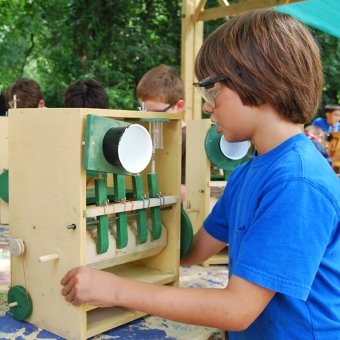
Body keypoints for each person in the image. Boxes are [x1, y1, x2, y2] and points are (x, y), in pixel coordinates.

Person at [61, 9, 340, 339]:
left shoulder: (297, 183)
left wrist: (115, 290)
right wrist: (153, 206)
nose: (207, 106)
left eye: (212, 90)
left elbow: (237, 309)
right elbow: (191, 251)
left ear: (260, 84)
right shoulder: (246, 174)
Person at [136, 64, 186, 203]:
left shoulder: (188, 139)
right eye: (145, 112)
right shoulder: (145, 135)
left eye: (157, 113)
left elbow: (190, 193)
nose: (150, 119)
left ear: (179, 106)